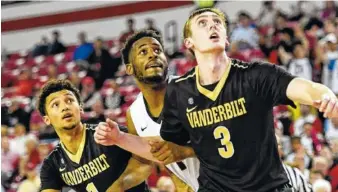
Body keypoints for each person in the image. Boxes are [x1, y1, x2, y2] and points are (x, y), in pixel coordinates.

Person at [94, 8, 338, 192]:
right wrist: (120, 138)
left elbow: (301, 87)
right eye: (203, 23)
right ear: (188, 43)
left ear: (227, 37)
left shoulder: (256, 75)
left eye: (217, 23)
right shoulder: (179, 92)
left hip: (269, 185)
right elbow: (166, 149)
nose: (212, 26)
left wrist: (324, 94)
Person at [97, 30, 200, 191]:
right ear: (129, 69)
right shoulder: (135, 114)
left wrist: (185, 151)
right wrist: (119, 184)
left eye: (158, 50)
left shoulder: (194, 91)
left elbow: (227, 140)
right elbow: (142, 163)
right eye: (143, 52)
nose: (153, 55)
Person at [37, 79, 151, 192]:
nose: (65, 107)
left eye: (70, 100)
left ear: (81, 108)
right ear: (47, 119)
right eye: (55, 104)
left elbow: (146, 161)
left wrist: (119, 186)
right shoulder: (52, 164)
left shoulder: (107, 133)